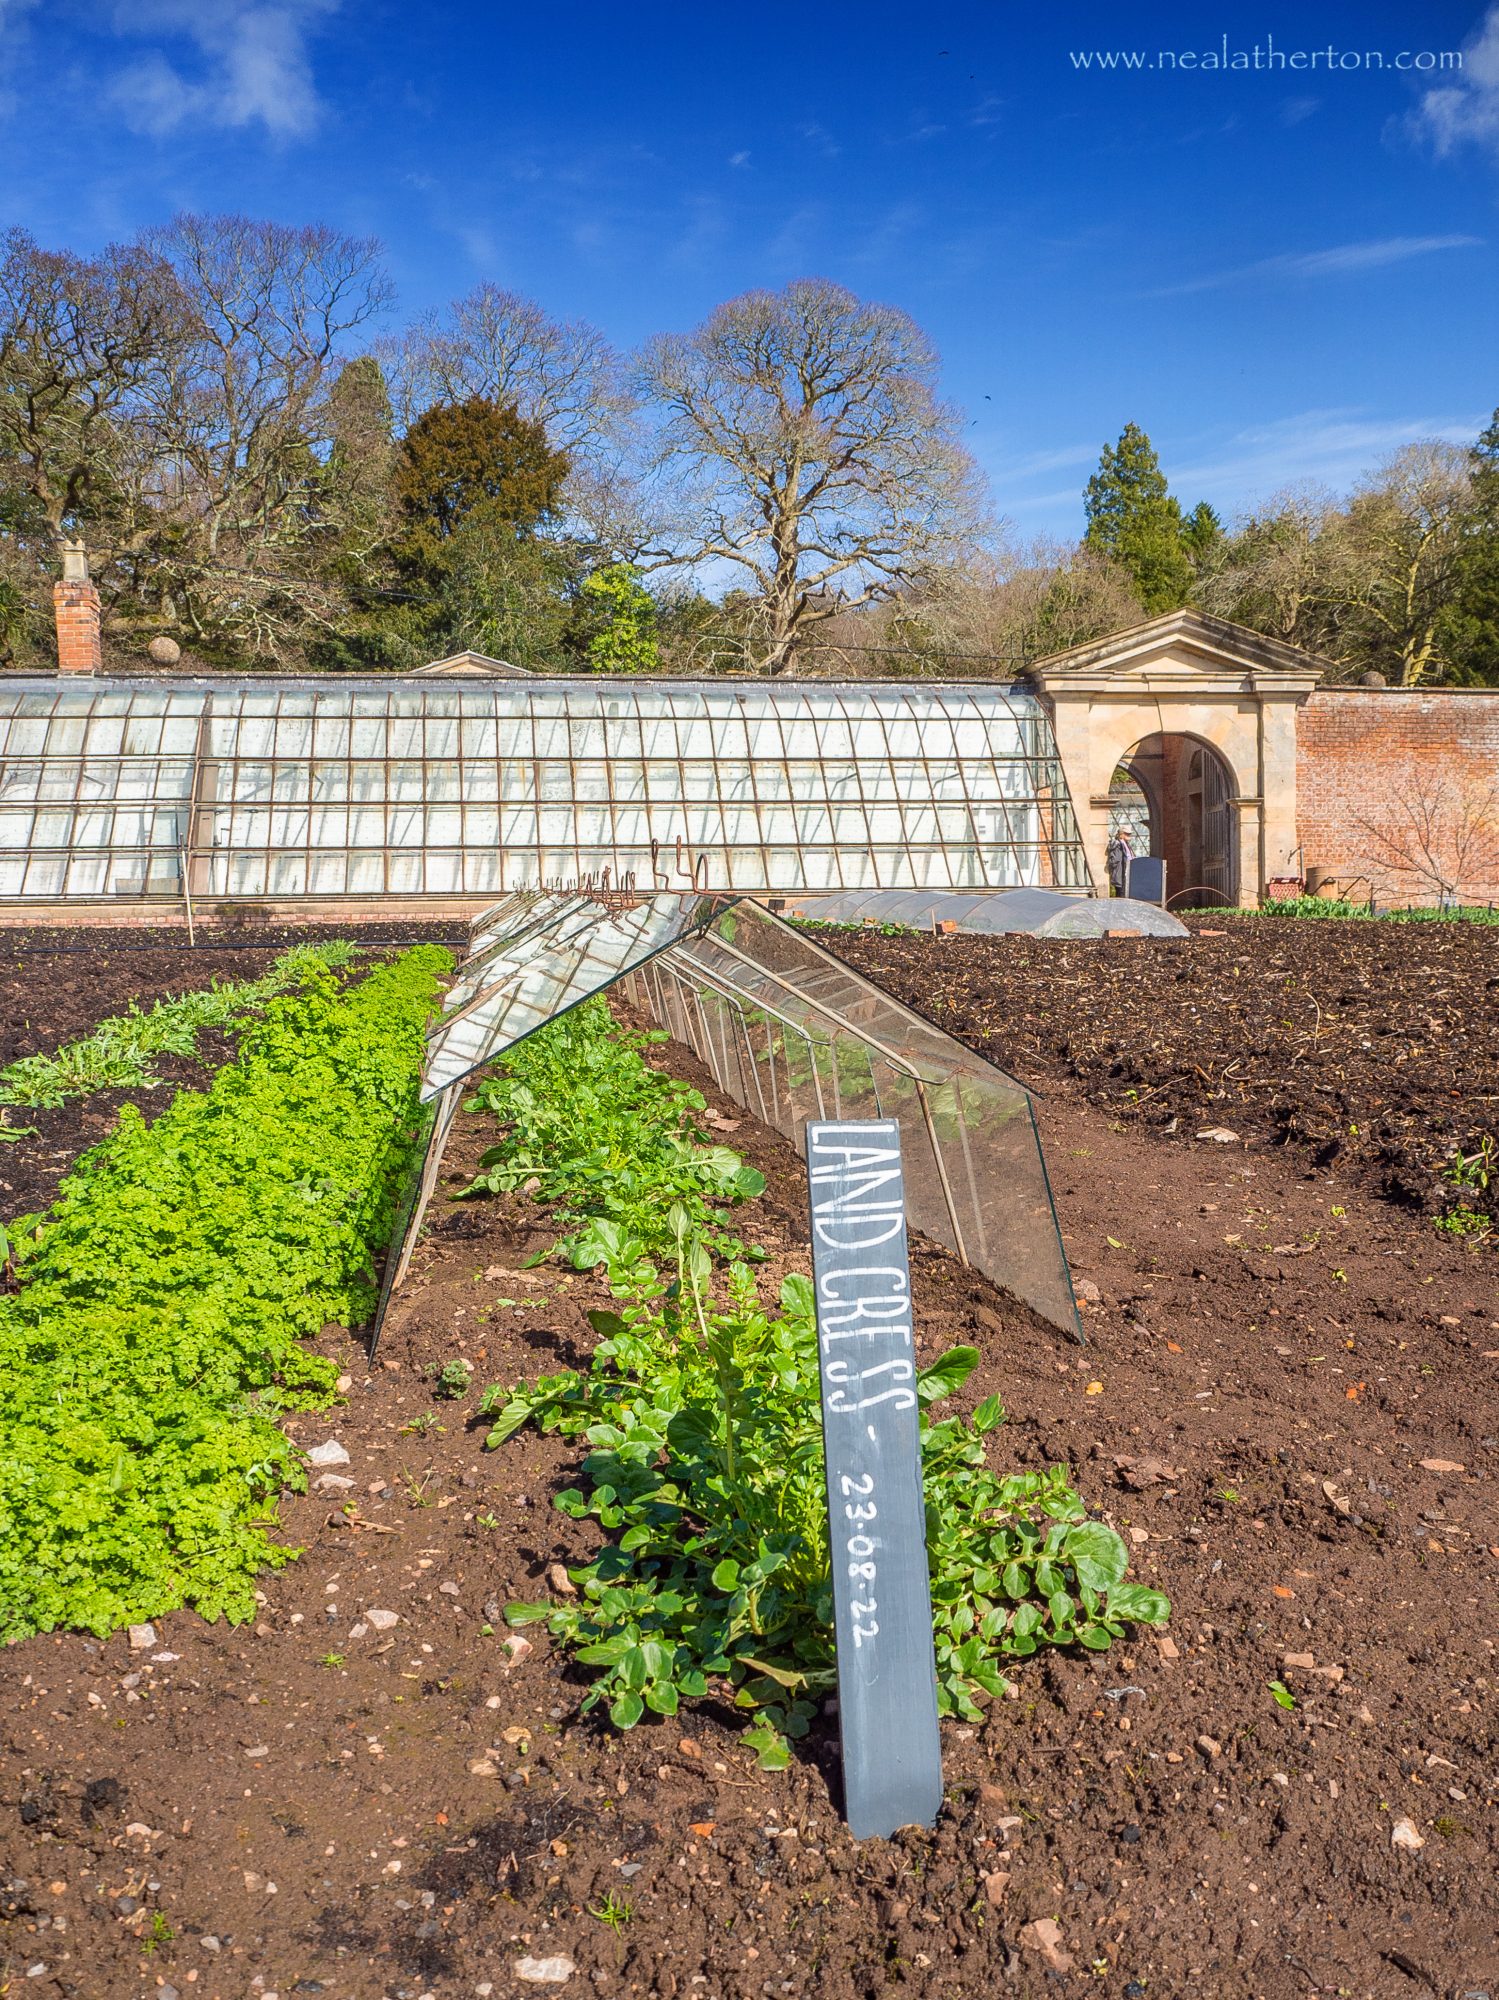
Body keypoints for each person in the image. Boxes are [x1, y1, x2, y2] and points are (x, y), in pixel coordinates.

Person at [1105, 827, 1133, 897]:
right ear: (1121, 834)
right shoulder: (1118, 844)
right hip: (1120, 871)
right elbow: (1115, 860)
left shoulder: (1125, 844)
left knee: (1123, 891)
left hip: (1125, 871)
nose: (1129, 835)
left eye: (1129, 834)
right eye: (1127, 834)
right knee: (1120, 892)